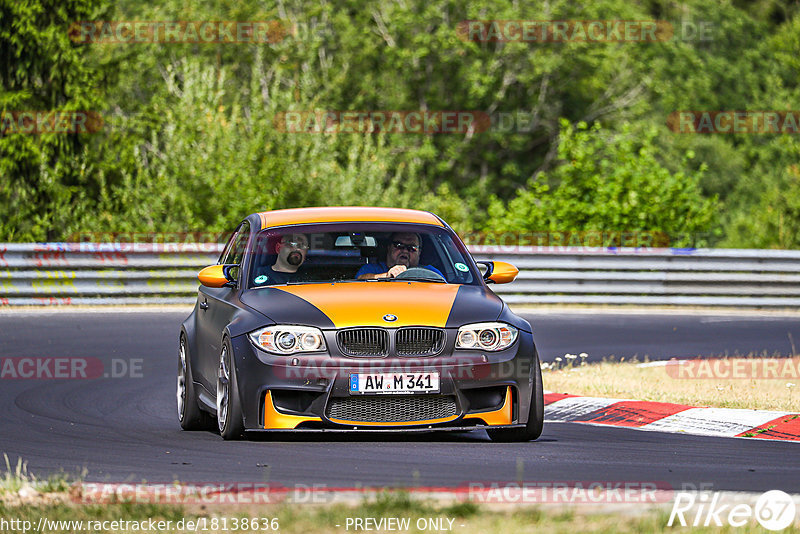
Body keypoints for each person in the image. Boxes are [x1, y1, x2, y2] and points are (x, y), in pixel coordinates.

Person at [356, 232, 443, 279]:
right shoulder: (372, 269)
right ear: (389, 248)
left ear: (419, 252)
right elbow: (360, 279)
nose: (405, 251)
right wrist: (386, 276)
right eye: (399, 246)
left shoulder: (431, 272)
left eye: (412, 248)